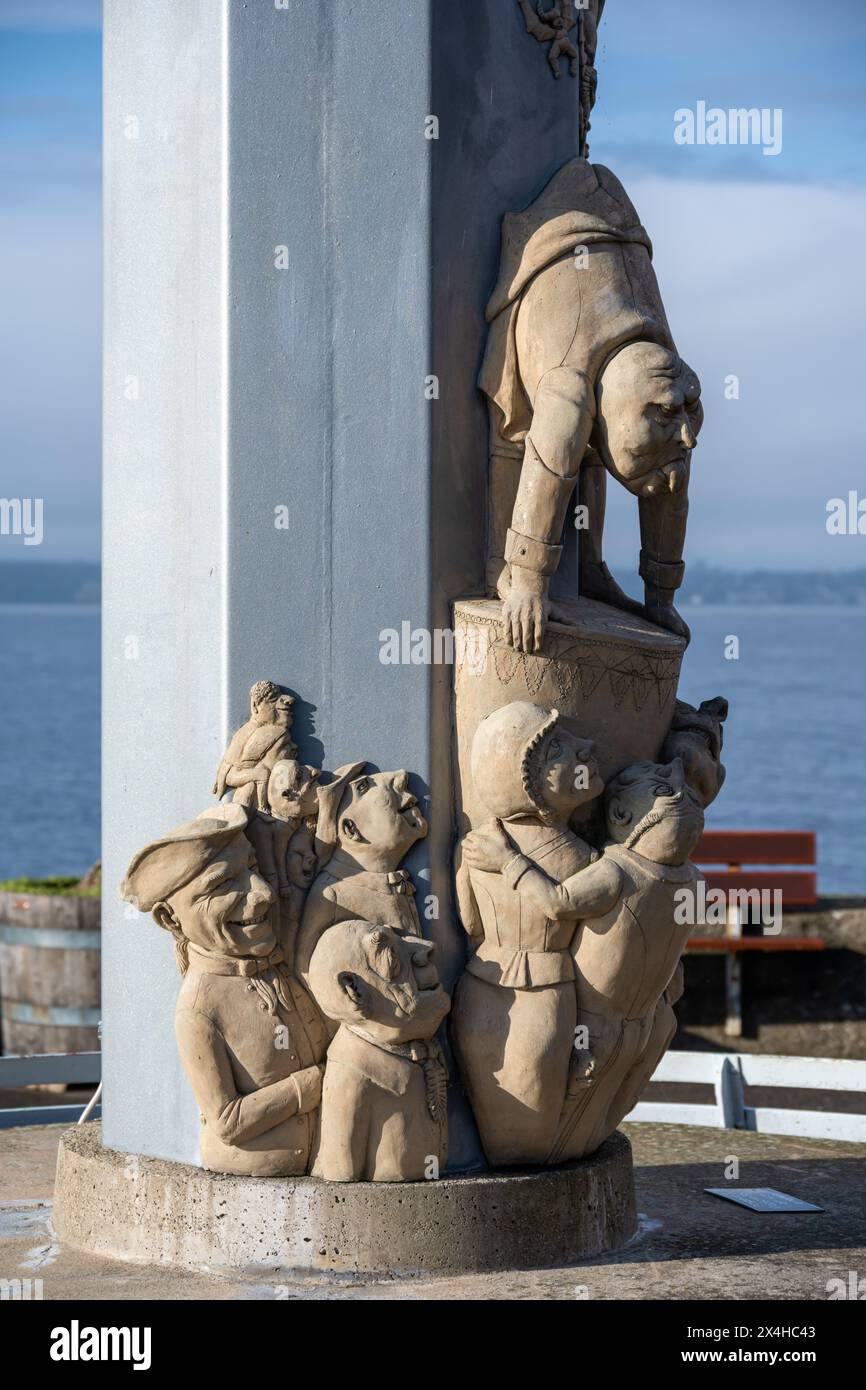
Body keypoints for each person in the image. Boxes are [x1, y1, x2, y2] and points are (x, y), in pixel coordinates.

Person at [480, 158, 702, 653]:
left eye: (689, 412)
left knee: (626, 449)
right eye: (671, 416)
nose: (687, 434)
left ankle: (589, 565)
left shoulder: (668, 384)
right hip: (553, 271)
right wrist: (528, 583)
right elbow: (544, 454)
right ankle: (501, 561)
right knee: (518, 438)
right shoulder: (569, 392)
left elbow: (669, 489)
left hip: (614, 254)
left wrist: (661, 601)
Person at [120, 803, 325, 1176]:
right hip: (255, 1172)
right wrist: (311, 1085)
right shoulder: (199, 1008)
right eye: (222, 885)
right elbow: (227, 1121)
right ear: (170, 918)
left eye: (252, 869)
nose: (262, 893)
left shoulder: (279, 964)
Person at [307, 921, 450, 1181]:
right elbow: (341, 1177)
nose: (426, 949)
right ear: (354, 991)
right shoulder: (351, 1078)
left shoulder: (419, 1050)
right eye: (394, 959)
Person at [295, 763, 428, 983]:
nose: (400, 775)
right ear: (351, 830)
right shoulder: (331, 896)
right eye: (364, 787)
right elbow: (307, 973)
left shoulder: (391, 881)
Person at [212, 680, 297, 812]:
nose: (286, 701)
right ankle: (262, 809)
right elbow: (233, 767)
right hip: (241, 783)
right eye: (272, 699)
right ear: (255, 706)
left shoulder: (275, 731)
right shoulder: (259, 732)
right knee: (261, 775)